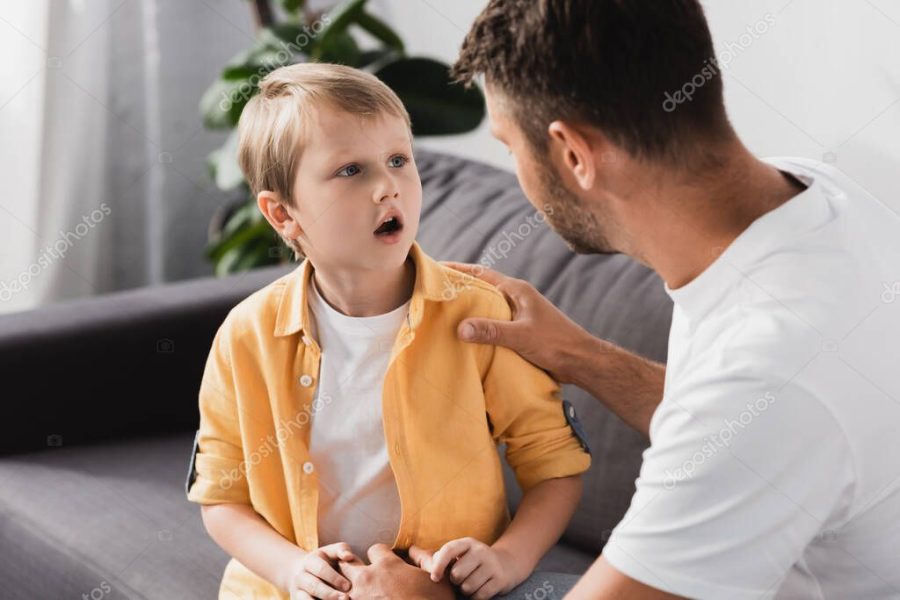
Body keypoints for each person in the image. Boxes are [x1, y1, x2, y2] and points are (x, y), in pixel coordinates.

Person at [418, 0, 899, 598]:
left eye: (509, 144)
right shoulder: (814, 197)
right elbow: (749, 424)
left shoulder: (770, 370)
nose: (514, 166)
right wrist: (579, 356)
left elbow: (761, 405)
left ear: (572, 155)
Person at [185, 62, 592, 600]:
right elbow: (221, 498)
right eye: (351, 171)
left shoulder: (480, 318)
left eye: (399, 160)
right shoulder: (245, 336)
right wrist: (290, 570)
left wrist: (508, 559)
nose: (388, 187)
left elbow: (555, 469)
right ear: (283, 215)